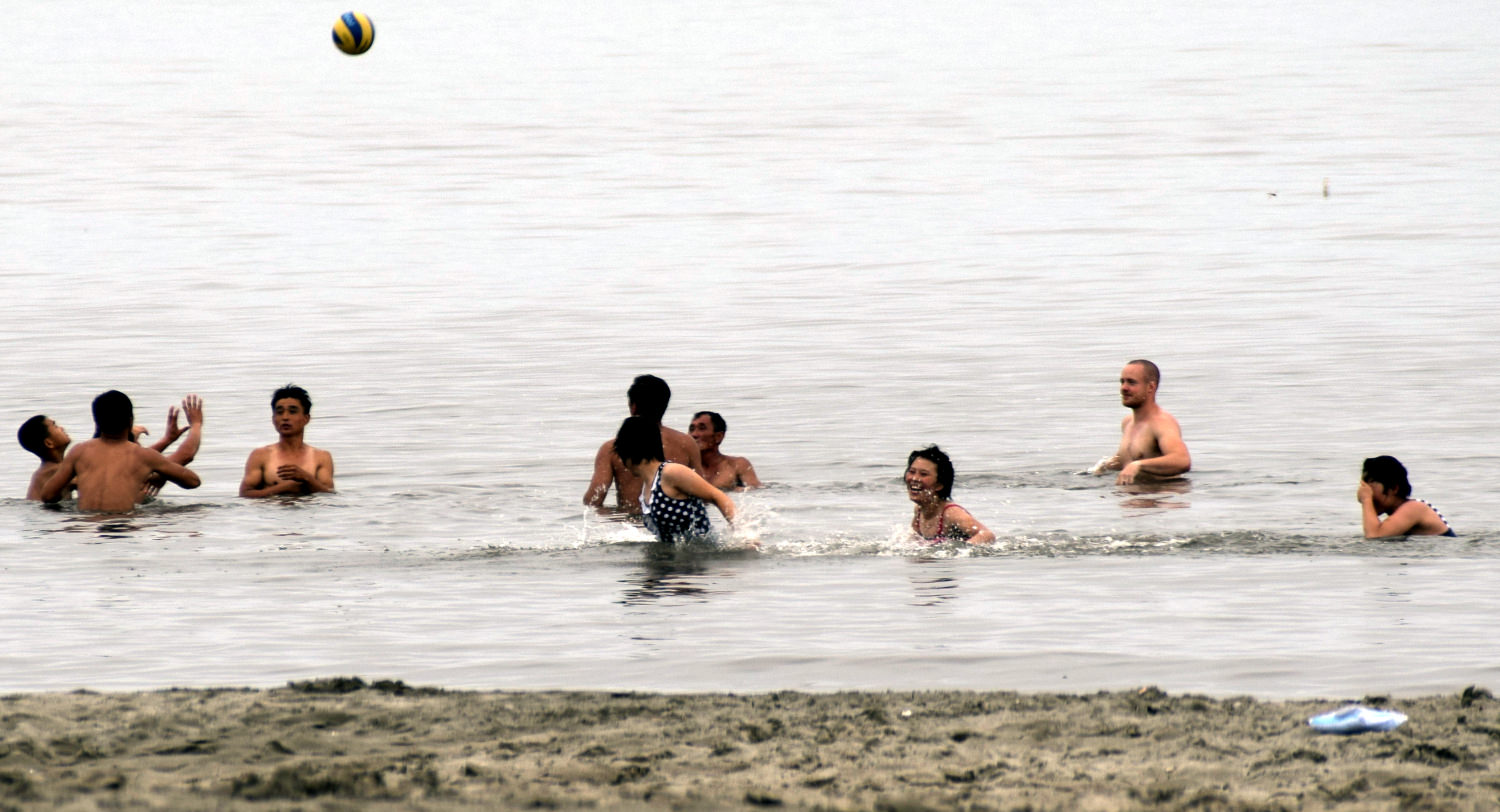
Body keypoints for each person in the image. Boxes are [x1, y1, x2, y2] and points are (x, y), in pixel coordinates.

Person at [39, 390, 201, 512]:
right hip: (125, 525)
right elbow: (193, 482)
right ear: (130, 421)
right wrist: (196, 424)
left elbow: (48, 496)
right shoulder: (144, 456)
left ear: (97, 422)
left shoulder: (79, 451)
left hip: (86, 527)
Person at [584, 375, 704, 513]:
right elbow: (701, 495)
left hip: (631, 527)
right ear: (664, 406)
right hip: (672, 523)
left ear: (633, 407)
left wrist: (617, 518)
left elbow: (593, 501)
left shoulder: (612, 448)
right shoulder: (686, 443)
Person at [614, 416, 735, 542]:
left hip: (700, 557)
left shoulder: (671, 472)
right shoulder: (647, 488)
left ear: (627, 449)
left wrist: (742, 532)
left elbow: (718, 496)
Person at [1091, 359, 1191, 485]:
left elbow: (1182, 460)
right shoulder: (1128, 423)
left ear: (1150, 387)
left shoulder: (1162, 423)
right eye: (1122, 382)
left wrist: (1138, 465)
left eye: (1131, 382)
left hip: (1160, 497)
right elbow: (1130, 456)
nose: (1124, 388)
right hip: (1133, 496)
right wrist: (1106, 466)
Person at [239, 384, 335, 498]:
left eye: (292, 411)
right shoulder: (260, 455)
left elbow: (329, 495)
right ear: (273, 418)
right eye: (279, 412)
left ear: (306, 418)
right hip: (272, 513)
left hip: (309, 513)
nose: (285, 417)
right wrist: (283, 488)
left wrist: (306, 478)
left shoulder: (321, 457)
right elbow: (245, 494)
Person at [905, 445, 995, 546]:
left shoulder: (951, 513)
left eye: (923, 474)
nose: (915, 478)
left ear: (939, 485)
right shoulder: (919, 510)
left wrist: (962, 551)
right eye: (912, 472)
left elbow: (987, 535)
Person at [1358, 456, 1454, 537]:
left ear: (1394, 488)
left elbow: (1374, 537)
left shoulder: (1414, 508)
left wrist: (1366, 500)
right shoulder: (1403, 512)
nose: (1367, 494)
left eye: (1370, 490)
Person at [687, 411, 761, 491]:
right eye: (691, 429)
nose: (694, 434)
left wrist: (735, 490)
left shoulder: (737, 465)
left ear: (718, 436)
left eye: (702, 428)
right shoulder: (683, 466)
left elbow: (756, 492)